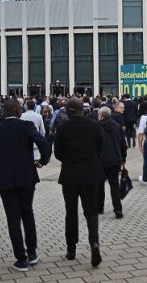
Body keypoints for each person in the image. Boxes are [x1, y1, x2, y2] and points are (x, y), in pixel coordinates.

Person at [0, 99, 51, 272]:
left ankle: (21, 259)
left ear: (3, 113)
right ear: (19, 112)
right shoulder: (27, 126)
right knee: (27, 213)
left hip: (6, 180)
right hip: (27, 177)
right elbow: (43, 142)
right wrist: (42, 161)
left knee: (13, 218)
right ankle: (32, 253)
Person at [54, 98, 103, 266]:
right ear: (83, 109)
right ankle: (94, 243)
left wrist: (69, 160)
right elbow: (100, 147)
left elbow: (58, 153)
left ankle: (71, 248)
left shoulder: (63, 128)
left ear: (68, 111)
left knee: (71, 211)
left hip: (70, 175)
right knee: (91, 212)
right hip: (90, 174)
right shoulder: (94, 126)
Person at [97, 106, 127, 218]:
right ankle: (118, 209)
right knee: (114, 185)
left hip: (100, 160)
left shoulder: (97, 127)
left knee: (99, 185)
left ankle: (99, 207)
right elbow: (123, 144)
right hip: (115, 160)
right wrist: (123, 158)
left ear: (101, 115)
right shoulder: (117, 126)